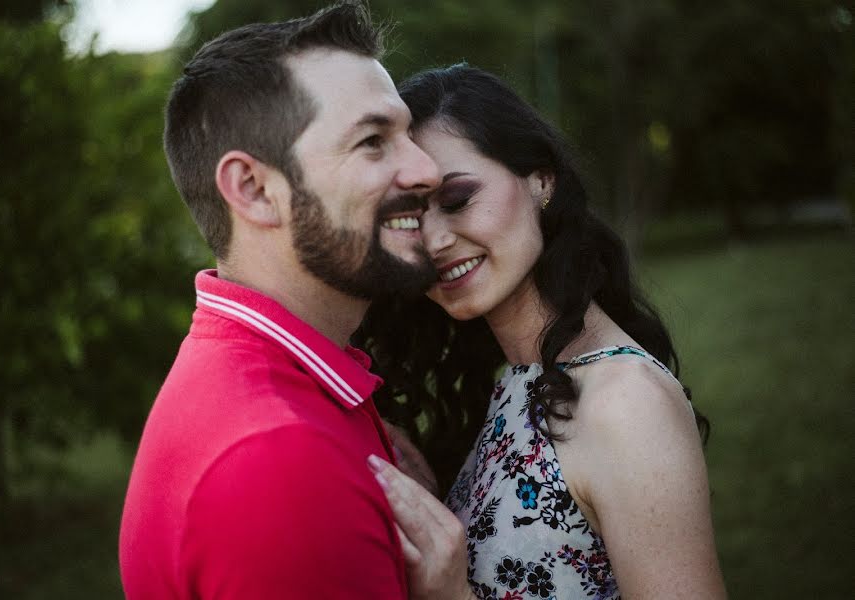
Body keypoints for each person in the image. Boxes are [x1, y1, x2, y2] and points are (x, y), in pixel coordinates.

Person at [358, 64, 727, 599]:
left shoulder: (623, 403)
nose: (434, 240)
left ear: (541, 180)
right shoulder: (518, 380)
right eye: (410, 218)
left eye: (458, 199)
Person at [118, 3, 445, 598]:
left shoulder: (270, 389)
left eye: (410, 137)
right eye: (373, 141)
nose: (426, 170)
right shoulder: (279, 464)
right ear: (254, 190)